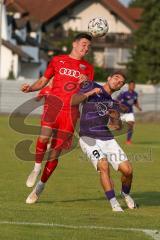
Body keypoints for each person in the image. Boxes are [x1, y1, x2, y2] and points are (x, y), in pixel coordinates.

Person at [21, 33, 94, 204]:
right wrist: (30, 88)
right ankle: (36, 168)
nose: (86, 48)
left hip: (70, 113)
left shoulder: (88, 68)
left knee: (54, 153)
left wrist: (84, 84)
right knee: (44, 136)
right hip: (53, 106)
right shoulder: (57, 60)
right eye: (83, 44)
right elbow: (43, 81)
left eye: (88, 47)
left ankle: (40, 187)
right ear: (74, 44)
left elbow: (86, 95)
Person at [71, 71, 137, 212]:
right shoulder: (92, 85)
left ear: (120, 88)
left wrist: (115, 118)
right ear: (109, 78)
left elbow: (117, 126)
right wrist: (90, 92)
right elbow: (73, 101)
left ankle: (125, 193)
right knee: (103, 165)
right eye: (116, 78)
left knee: (128, 171)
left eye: (121, 82)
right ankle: (114, 203)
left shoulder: (114, 103)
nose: (117, 81)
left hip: (107, 138)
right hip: (87, 137)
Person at [117, 80, 142, 144]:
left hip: (130, 112)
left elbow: (135, 102)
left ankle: (128, 141)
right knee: (117, 127)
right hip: (122, 113)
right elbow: (118, 101)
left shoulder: (135, 94)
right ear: (129, 86)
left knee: (131, 125)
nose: (133, 86)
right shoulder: (124, 93)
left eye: (134, 85)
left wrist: (138, 107)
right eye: (131, 85)